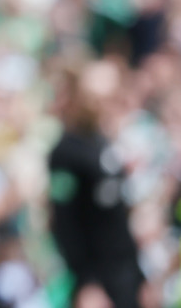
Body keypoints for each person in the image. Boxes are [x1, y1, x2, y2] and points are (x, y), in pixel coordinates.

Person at [48, 60, 144, 308]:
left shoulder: (103, 143)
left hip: (125, 271)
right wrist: (86, 283)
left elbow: (116, 212)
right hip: (97, 279)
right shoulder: (65, 152)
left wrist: (141, 277)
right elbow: (64, 222)